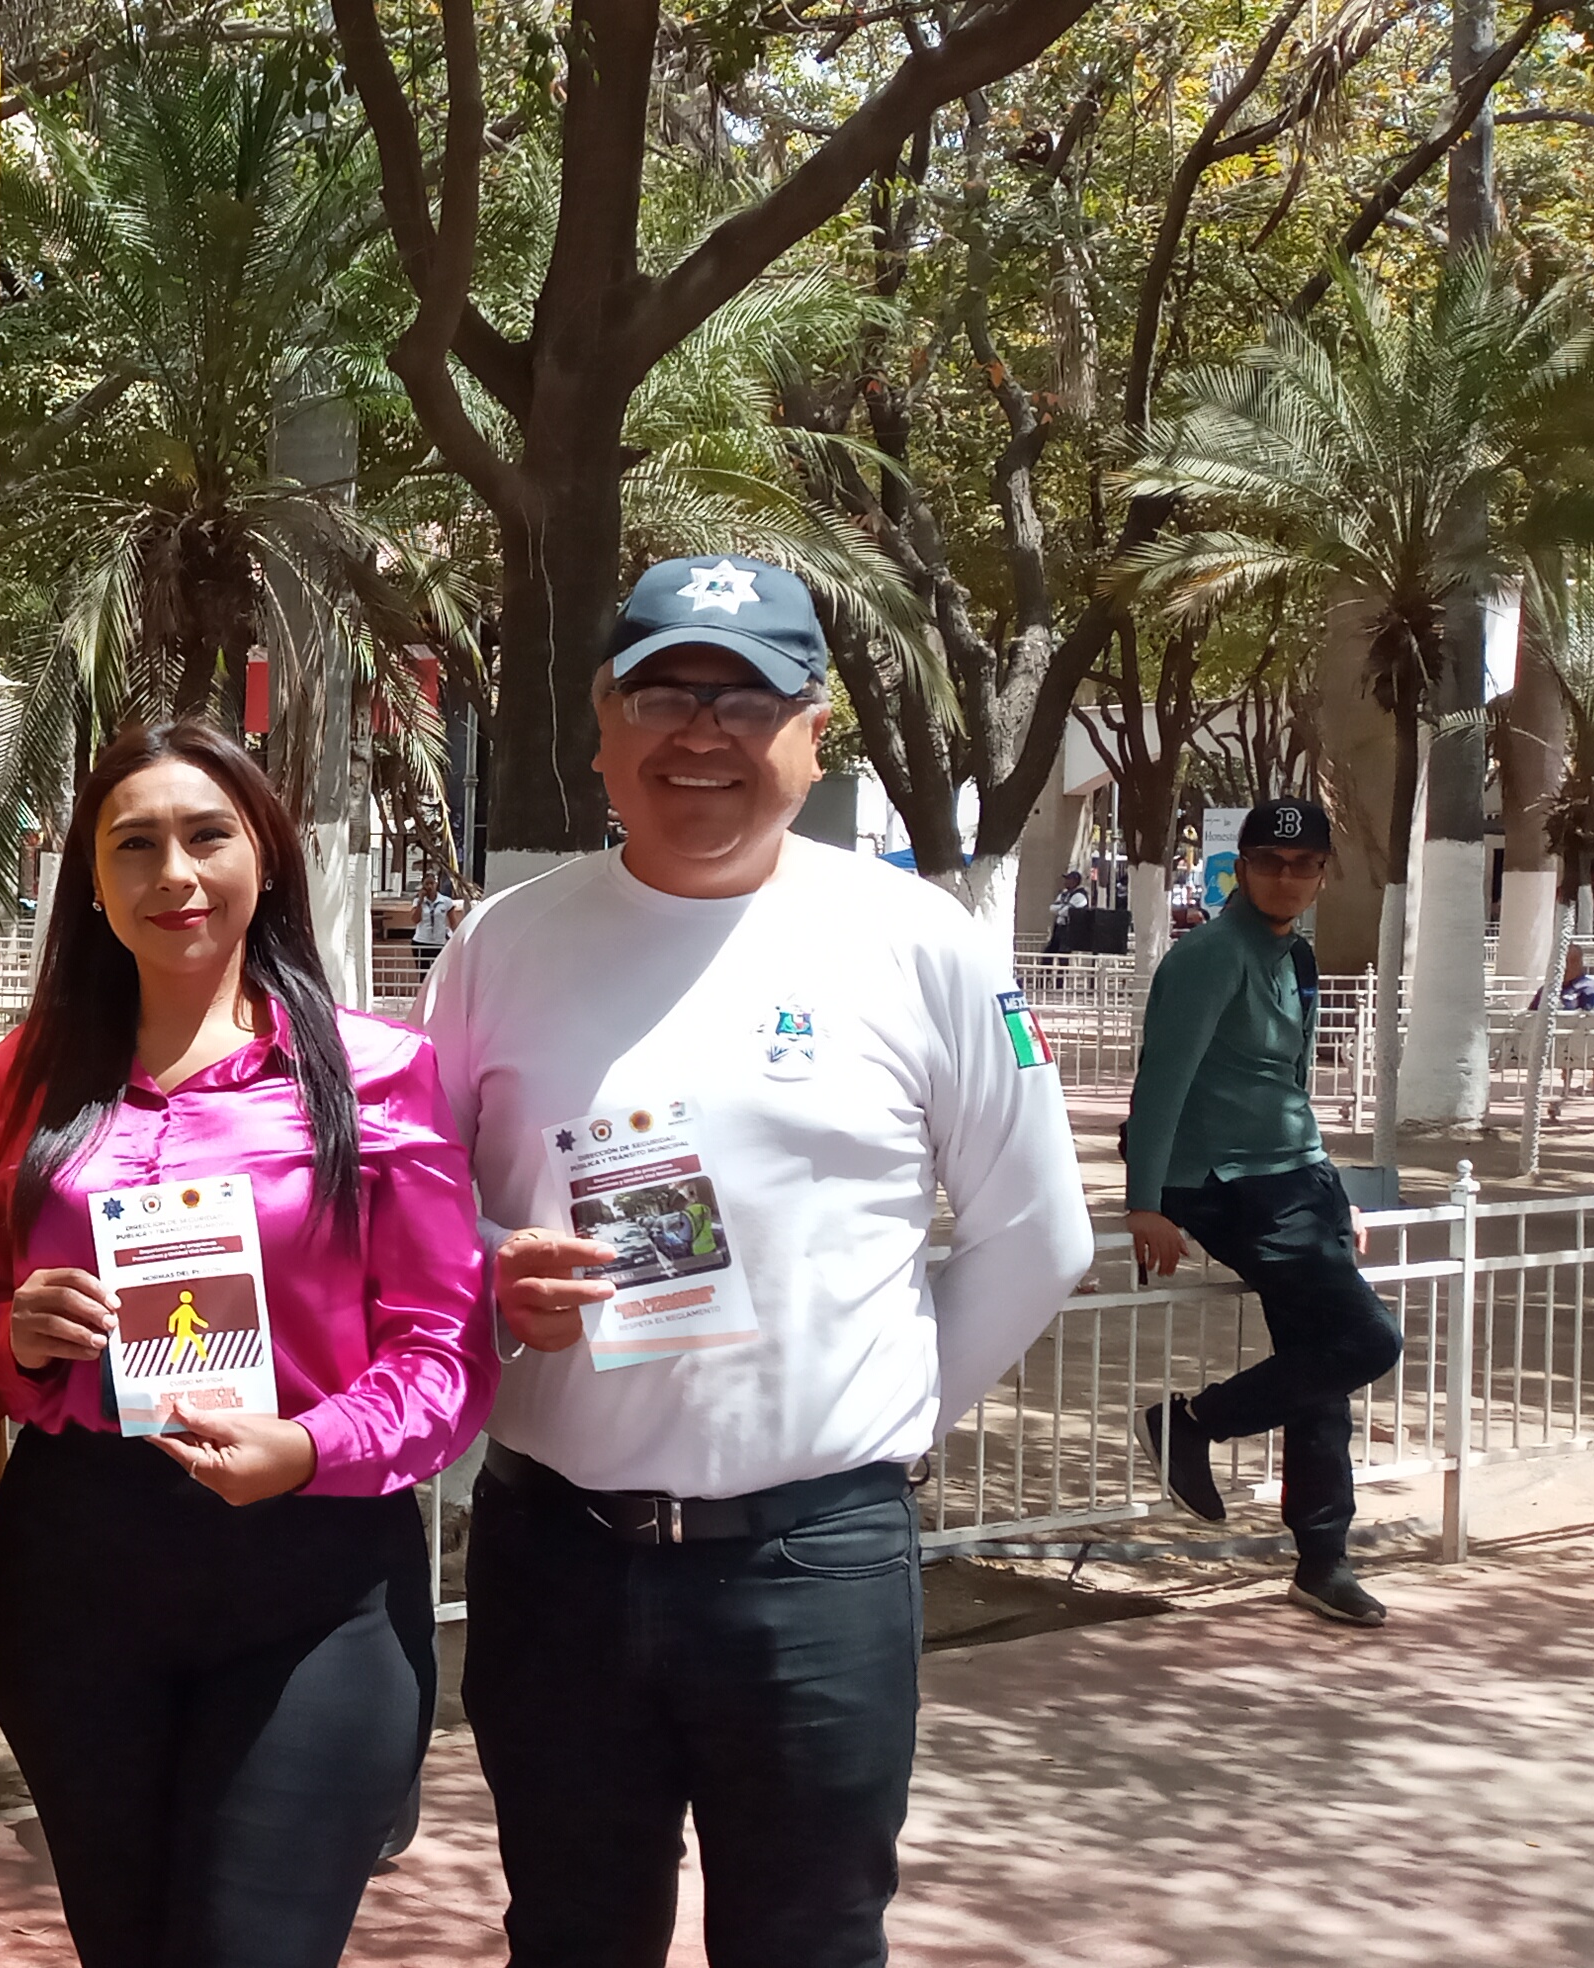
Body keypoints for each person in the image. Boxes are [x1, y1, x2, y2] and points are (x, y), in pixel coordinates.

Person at [421, 555, 1093, 1967]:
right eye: (663, 693)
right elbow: (420, 1214)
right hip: (558, 1558)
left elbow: (1037, 1233)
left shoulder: (918, 943)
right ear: (601, 722)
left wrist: (869, 1422)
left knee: (810, 1940)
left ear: (813, 732)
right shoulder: (500, 944)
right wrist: (493, 1277)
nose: (701, 733)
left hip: (812, 1569)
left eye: (746, 699)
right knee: (570, 1937)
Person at [0, 721, 490, 1968]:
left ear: (265, 857)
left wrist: (309, 1447)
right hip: (76, 1572)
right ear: (90, 882)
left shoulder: (374, 1072)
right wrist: (15, 1335)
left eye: (206, 836)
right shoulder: (31, 1072)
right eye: (132, 846)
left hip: (311, 1577)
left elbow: (445, 1353)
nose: (173, 875)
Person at [1124, 796, 1403, 1626]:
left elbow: (1291, 1090)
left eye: (1303, 865)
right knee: (1368, 1340)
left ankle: (1322, 1559)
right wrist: (1144, 1203)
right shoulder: (1210, 956)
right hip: (1224, 1182)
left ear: (1322, 876)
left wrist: (1331, 1192)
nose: (1287, 878)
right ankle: (1190, 1424)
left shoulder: (1296, 956)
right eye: (1270, 863)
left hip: (1293, 1180)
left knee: (1322, 1362)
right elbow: (1161, 1080)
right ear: (1240, 869)